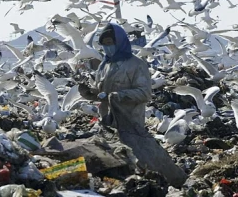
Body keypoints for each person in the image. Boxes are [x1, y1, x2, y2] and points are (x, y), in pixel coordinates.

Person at [79, 22, 188, 188]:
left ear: (120, 41)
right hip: (108, 123)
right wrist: (90, 93)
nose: (107, 48)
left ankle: (168, 184)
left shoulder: (136, 64)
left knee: (140, 165)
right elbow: (102, 93)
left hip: (131, 124)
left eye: (110, 43)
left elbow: (145, 93)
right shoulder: (104, 65)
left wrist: (119, 96)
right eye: (104, 45)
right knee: (102, 160)